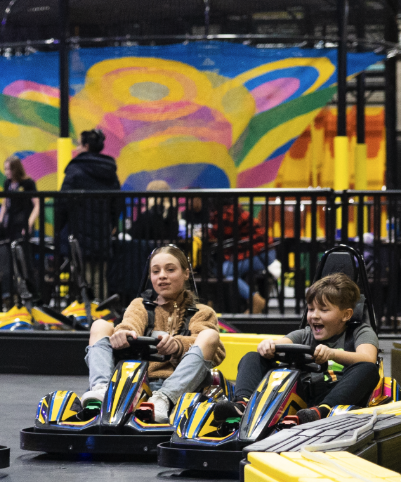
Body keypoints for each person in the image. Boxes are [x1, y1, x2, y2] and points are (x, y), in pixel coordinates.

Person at [213, 273, 380, 425]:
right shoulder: (304, 335)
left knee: (368, 369)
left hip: (336, 394)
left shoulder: (360, 332)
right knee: (253, 356)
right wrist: (267, 346)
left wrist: (332, 354)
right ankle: (242, 404)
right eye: (311, 309)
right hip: (301, 395)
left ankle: (322, 411)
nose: (314, 315)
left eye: (324, 310)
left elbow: (368, 358)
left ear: (346, 315)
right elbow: (280, 344)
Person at [82, 246, 225, 423]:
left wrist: (178, 345)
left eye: (170, 270)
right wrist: (123, 333)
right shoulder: (140, 305)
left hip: (180, 386)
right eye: (156, 271)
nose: (162, 276)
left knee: (210, 335)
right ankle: (102, 389)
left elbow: (216, 351)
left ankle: (164, 398)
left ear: (186, 273)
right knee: (100, 325)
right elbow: (130, 323)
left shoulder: (202, 312)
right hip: (137, 383)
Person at [59, 129, 123, 288]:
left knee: (82, 277)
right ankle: (101, 303)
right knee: (100, 277)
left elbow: (63, 201)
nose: (77, 148)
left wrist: (59, 228)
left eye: (79, 144)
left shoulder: (75, 169)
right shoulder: (109, 170)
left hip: (79, 230)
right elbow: (117, 201)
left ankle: (87, 304)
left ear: (86, 146)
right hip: (102, 230)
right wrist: (112, 223)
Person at [209, 201, 275, 313]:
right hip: (260, 251)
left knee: (224, 272)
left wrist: (205, 232)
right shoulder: (233, 209)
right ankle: (246, 304)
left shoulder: (228, 212)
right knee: (223, 271)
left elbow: (219, 233)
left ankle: (255, 300)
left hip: (260, 254)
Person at [0, 156, 39, 239]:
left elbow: (37, 205)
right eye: (5, 169)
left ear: (16, 169)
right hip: (9, 223)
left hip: (23, 222)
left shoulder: (28, 183)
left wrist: (29, 224)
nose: (7, 172)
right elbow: (5, 204)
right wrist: (0, 222)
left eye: (10, 169)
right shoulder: (7, 183)